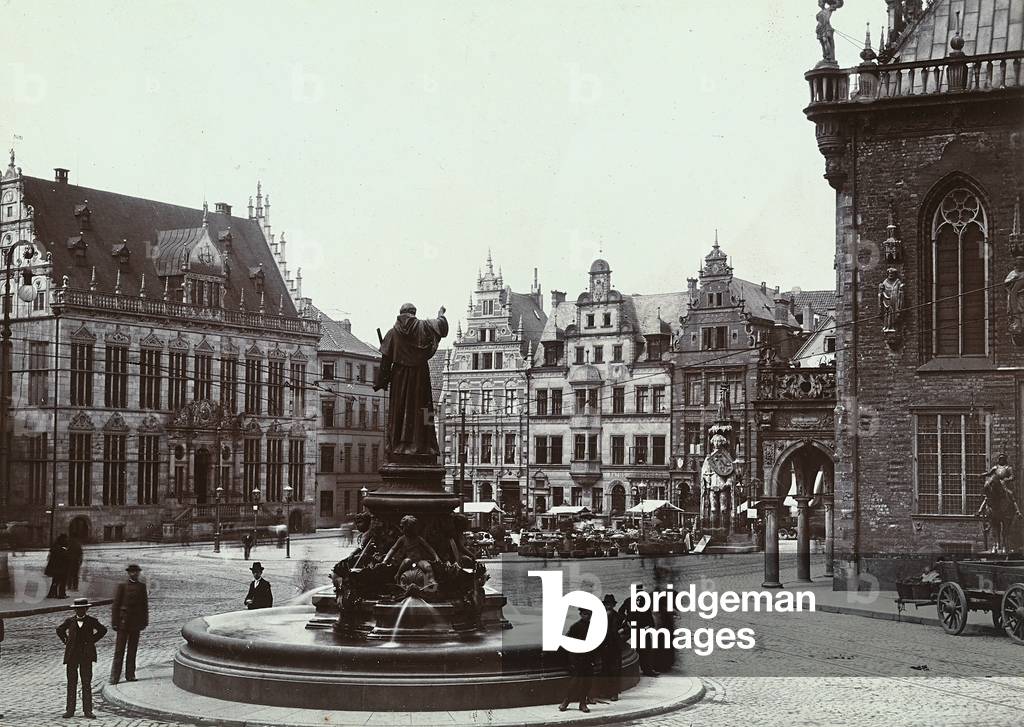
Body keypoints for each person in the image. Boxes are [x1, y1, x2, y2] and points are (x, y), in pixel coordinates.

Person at [373, 303, 448, 459]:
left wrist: (381, 381)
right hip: (420, 376)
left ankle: (398, 446)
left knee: (399, 412)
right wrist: (440, 314)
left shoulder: (392, 333)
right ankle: (425, 446)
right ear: (414, 313)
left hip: (399, 378)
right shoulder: (423, 327)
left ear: (400, 314)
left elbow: (385, 362)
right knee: (424, 410)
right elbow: (442, 326)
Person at [56, 597, 108, 719]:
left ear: (86, 609)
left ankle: (88, 711)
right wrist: (66, 641)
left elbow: (103, 630)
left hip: (86, 655)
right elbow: (59, 630)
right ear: (75, 610)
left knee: (86, 683)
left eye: (83, 609)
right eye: (78, 610)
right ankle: (70, 710)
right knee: (71, 683)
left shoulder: (91, 621)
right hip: (72, 656)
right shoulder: (70, 621)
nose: (80, 612)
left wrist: (92, 641)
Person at [109, 564, 149, 685]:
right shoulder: (122, 586)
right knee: (119, 651)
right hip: (123, 623)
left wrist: (144, 622)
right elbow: (116, 605)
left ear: (138, 573)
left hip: (136, 623)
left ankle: (130, 674)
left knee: (132, 650)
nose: (134, 574)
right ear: (128, 573)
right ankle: (114, 677)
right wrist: (114, 622)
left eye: (136, 572)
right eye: (131, 572)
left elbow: (144, 606)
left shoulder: (142, 587)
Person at [559, 608, 597, 713]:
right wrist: (572, 660)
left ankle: (582, 703)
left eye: (589, 614)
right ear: (580, 614)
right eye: (585, 614)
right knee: (575, 681)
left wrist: (594, 658)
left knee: (587, 682)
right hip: (578, 658)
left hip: (588, 658)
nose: (587, 616)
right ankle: (566, 701)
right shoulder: (575, 627)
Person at [619, 589, 659, 676]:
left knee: (647, 648)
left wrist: (650, 626)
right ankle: (644, 669)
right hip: (634, 628)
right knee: (640, 648)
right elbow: (620, 612)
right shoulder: (628, 601)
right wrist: (626, 620)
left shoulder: (645, 602)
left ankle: (647, 669)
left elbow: (648, 615)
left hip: (644, 628)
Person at [598, 594, 625, 701]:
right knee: (605, 670)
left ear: (613, 605)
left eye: (610, 604)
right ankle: (606, 692)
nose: (608, 606)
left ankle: (614, 693)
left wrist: (620, 633)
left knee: (615, 670)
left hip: (614, 647)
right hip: (605, 647)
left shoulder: (618, 617)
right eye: (606, 604)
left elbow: (627, 627)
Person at [45, 534, 69, 599]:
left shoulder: (55, 547)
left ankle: (52, 594)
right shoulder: (60, 549)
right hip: (60, 568)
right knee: (62, 581)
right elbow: (64, 557)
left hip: (55, 568)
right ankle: (61, 594)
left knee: (55, 581)